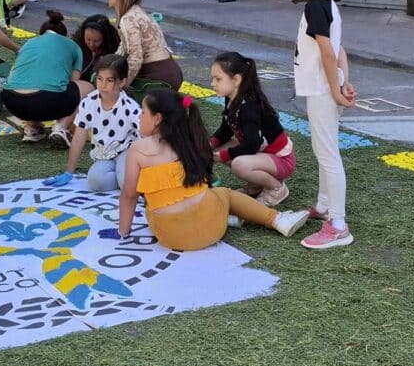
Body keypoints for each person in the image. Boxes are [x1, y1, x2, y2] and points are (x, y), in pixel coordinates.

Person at [111, 90, 308, 252]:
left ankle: (240, 217)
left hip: (170, 236)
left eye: (143, 112)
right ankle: (276, 219)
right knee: (224, 193)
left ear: (157, 119)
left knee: (153, 209)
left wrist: (124, 232)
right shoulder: (192, 141)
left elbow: (129, 196)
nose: (139, 116)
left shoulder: (137, 150)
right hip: (212, 226)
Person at [285, 0, 357, 250]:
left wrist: (336, 90)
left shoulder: (315, 7)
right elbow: (339, 50)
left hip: (321, 90)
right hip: (326, 88)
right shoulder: (325, 4)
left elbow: (329, 52)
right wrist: (344, 82)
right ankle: (325, 206)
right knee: (323, 149)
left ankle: (338, 224)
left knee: (327, 154)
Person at [208, 51, 297, 207]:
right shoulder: (232, 98)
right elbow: (226, 130)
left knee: (239, 164)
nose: (212, 83)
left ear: (236, 79)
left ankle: (276, 189)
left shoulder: (249, 106)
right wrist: (209, 145)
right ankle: (256, 186)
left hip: (281, 160)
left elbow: (253, 144)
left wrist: (222, 155)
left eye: (218, 79)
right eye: (213, 78)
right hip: (263, 155)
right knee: (219, 149)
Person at [49, 54, 138, 195]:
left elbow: (145, 137)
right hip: (103, 154)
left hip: (127, 151)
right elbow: (79, 137)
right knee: (95, 181)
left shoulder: (130, 107)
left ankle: (128, 176)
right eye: (99, 79)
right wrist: (69, 171)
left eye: (109, 80)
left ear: (122, 82)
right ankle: (125, 176)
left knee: (126, 183)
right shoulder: (89, 102)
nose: (103, 85)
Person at [0, 10, 89, 144]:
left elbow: (15, 73)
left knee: (32, 85)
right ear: (64, 35)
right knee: (86, 87)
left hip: (11, 100)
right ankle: (61, 127)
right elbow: (74, 82)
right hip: (47, 100)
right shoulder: (73, 46)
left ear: (42, 34)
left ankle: (31, 128)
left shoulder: (29, 43)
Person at [110, 0, 183, 95]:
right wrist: (110, 65)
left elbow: (135, 58)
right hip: (170, 70)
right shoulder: (138, 12)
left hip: (157, 76)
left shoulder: (128, 19)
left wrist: (121, 87)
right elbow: (124, 47)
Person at [73, 13, 121, 84]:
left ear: (105, 39)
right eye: (88, 39)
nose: (91, 45)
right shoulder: (76, 45)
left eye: (96, 41)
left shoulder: (112, 50)